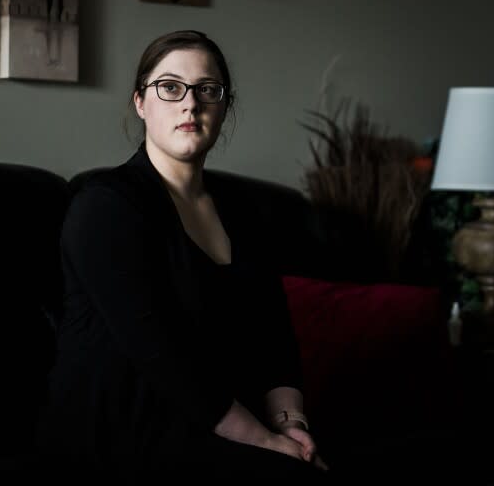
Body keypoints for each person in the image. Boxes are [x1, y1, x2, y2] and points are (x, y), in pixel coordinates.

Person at [35, 30, 330, 482]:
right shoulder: (105, 206)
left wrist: (291, 424)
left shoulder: (244, 212)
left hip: (215, 424)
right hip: (119, 434)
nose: (190, 104)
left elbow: (274, 334)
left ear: (224, 106)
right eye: (170, 87)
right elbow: (161, 355)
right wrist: (266, 442)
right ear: (140, 102)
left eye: (208, 90)